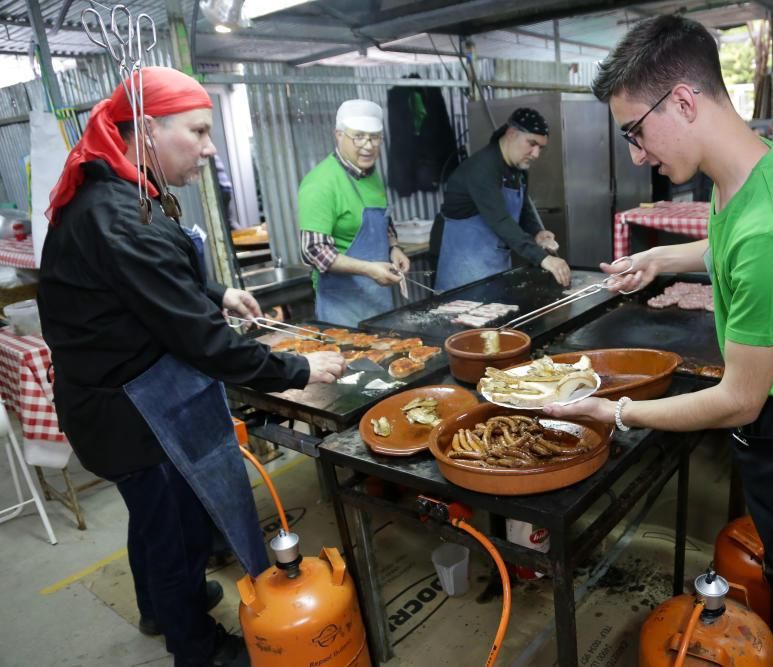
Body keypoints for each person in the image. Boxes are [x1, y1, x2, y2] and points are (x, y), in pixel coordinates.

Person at [545, 16, 773, 666]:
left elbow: (738, 399)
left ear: (682, 99)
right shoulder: (759, 170)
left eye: (635, 132)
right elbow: (730, 239)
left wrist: (614, 411)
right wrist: (663, 261)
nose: (636, 154)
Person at [38, 66, 345, 667]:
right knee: (174, 526)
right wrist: (299, 369)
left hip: (110, 396)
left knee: (150, 518)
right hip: (130, 410)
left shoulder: (121, 192)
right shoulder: (121, 218)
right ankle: (196, 646)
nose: (210, 148)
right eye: (200, 132)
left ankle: (158, 605)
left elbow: (149, 287)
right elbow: (206, 347)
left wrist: (216, 293)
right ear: (148, 130)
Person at [298, 99, 409, 327]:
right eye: (358, 136)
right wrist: (368, 270)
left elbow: (383, 220)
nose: (368, 146)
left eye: (375, 137)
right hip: (342, 305)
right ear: (338, 135)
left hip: (378, 298)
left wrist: (394, 247)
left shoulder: (371, 174)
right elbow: (313, 250)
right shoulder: (320, 183)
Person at [434, 107, 571, 291]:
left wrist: (536, 232)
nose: (536, 154)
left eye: (541, 148)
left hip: (494, 269)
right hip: (462, 275)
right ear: (512, 133)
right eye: (531, 143)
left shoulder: (518, 169)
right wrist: (543, 258)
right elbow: (501, 220)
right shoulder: (482, 169)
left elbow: (523, 209)